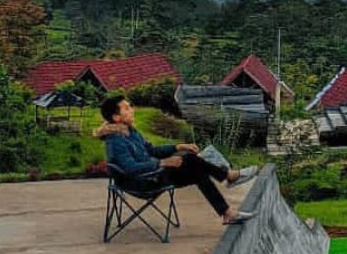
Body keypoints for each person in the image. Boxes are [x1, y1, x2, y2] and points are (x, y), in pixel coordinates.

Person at [95, 94, 259, 225]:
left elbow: (152, 150)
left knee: (198, 171)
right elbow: (130, 168)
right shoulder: (116, 140)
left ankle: (227, 212)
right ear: (116, 117)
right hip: (141, 182)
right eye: (127, 108)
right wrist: (162, 163)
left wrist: (178, 147)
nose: (132, 109)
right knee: (192, 160)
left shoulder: (131, 132)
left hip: (154, 174)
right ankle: (228, 176)